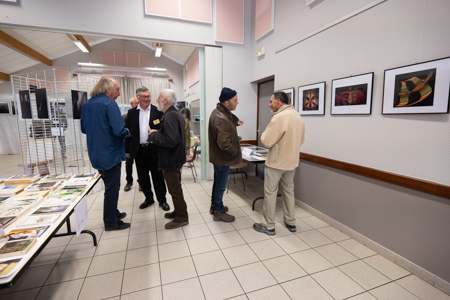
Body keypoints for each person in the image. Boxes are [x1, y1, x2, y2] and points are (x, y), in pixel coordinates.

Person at [80, 76, 131, 231]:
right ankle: (110, 222)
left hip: (96, 153)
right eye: (117, 89)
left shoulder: (87, 105)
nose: (119, 93)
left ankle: (113, 212)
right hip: (110, 154)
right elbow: (118, 130)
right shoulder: (110, 104)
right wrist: (127, 131)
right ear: (108, 89)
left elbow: (84, 129)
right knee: (112, 189)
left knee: (109, 185)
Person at [253, 91, 305, 235]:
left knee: (270, 193)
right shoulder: (298, 117)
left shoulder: (279, 117)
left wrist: (263, 133)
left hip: (276, 163)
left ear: (279, 101)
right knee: (289, 191)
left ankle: (268, 225)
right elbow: (301, 140)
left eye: (271, 101)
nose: (269, 104)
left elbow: (266, 141)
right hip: (292, 162)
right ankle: (291, 221)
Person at [148, 89, 188, 229]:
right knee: (175, 188)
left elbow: (171, 140)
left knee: (174, 190)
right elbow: (171, 135)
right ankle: (178, 211)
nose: (157, 100)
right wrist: (158, 132)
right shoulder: (174, 114)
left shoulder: (170, 116)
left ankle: (182, 217)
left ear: (165, 100)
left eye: (159, 98)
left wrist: (153, 136)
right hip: (175, 158)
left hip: (171, 160)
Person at [125, 87, 169, 211]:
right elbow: (128, 133)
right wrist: (127, 151)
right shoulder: (131, 113)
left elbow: (165, 130)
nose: (147, 99)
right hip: (139, 151)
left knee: (158, 177)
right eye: (144, 96)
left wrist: (158, 132)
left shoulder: (158, 111)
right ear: (138, 97)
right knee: (143, 177)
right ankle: (149, 198)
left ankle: (162, 200)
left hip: (154, 149)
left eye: (148, 96)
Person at [208, 87, 243, 223]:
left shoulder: (219, 113)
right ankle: (218, 211)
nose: (237, 102)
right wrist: (236, 152)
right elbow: (224, 144)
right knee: (221, 185)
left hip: (219, 157)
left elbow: (228, 122)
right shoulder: (221, 117)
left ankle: (214, 205)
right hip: (223, 158)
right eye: (235, 100)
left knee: (218, 183)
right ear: (227, 102)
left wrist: (236, 122)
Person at [122, 97, 139, 192]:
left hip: (139, 146)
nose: (138, 104)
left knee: (141, 166)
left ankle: (141, 182)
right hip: (129, 145)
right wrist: (126, 150)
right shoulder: (125, 116)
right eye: (137, 103)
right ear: (132, 104)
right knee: (128, 165)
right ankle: (129, 182)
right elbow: (124, 133)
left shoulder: (142, 115)